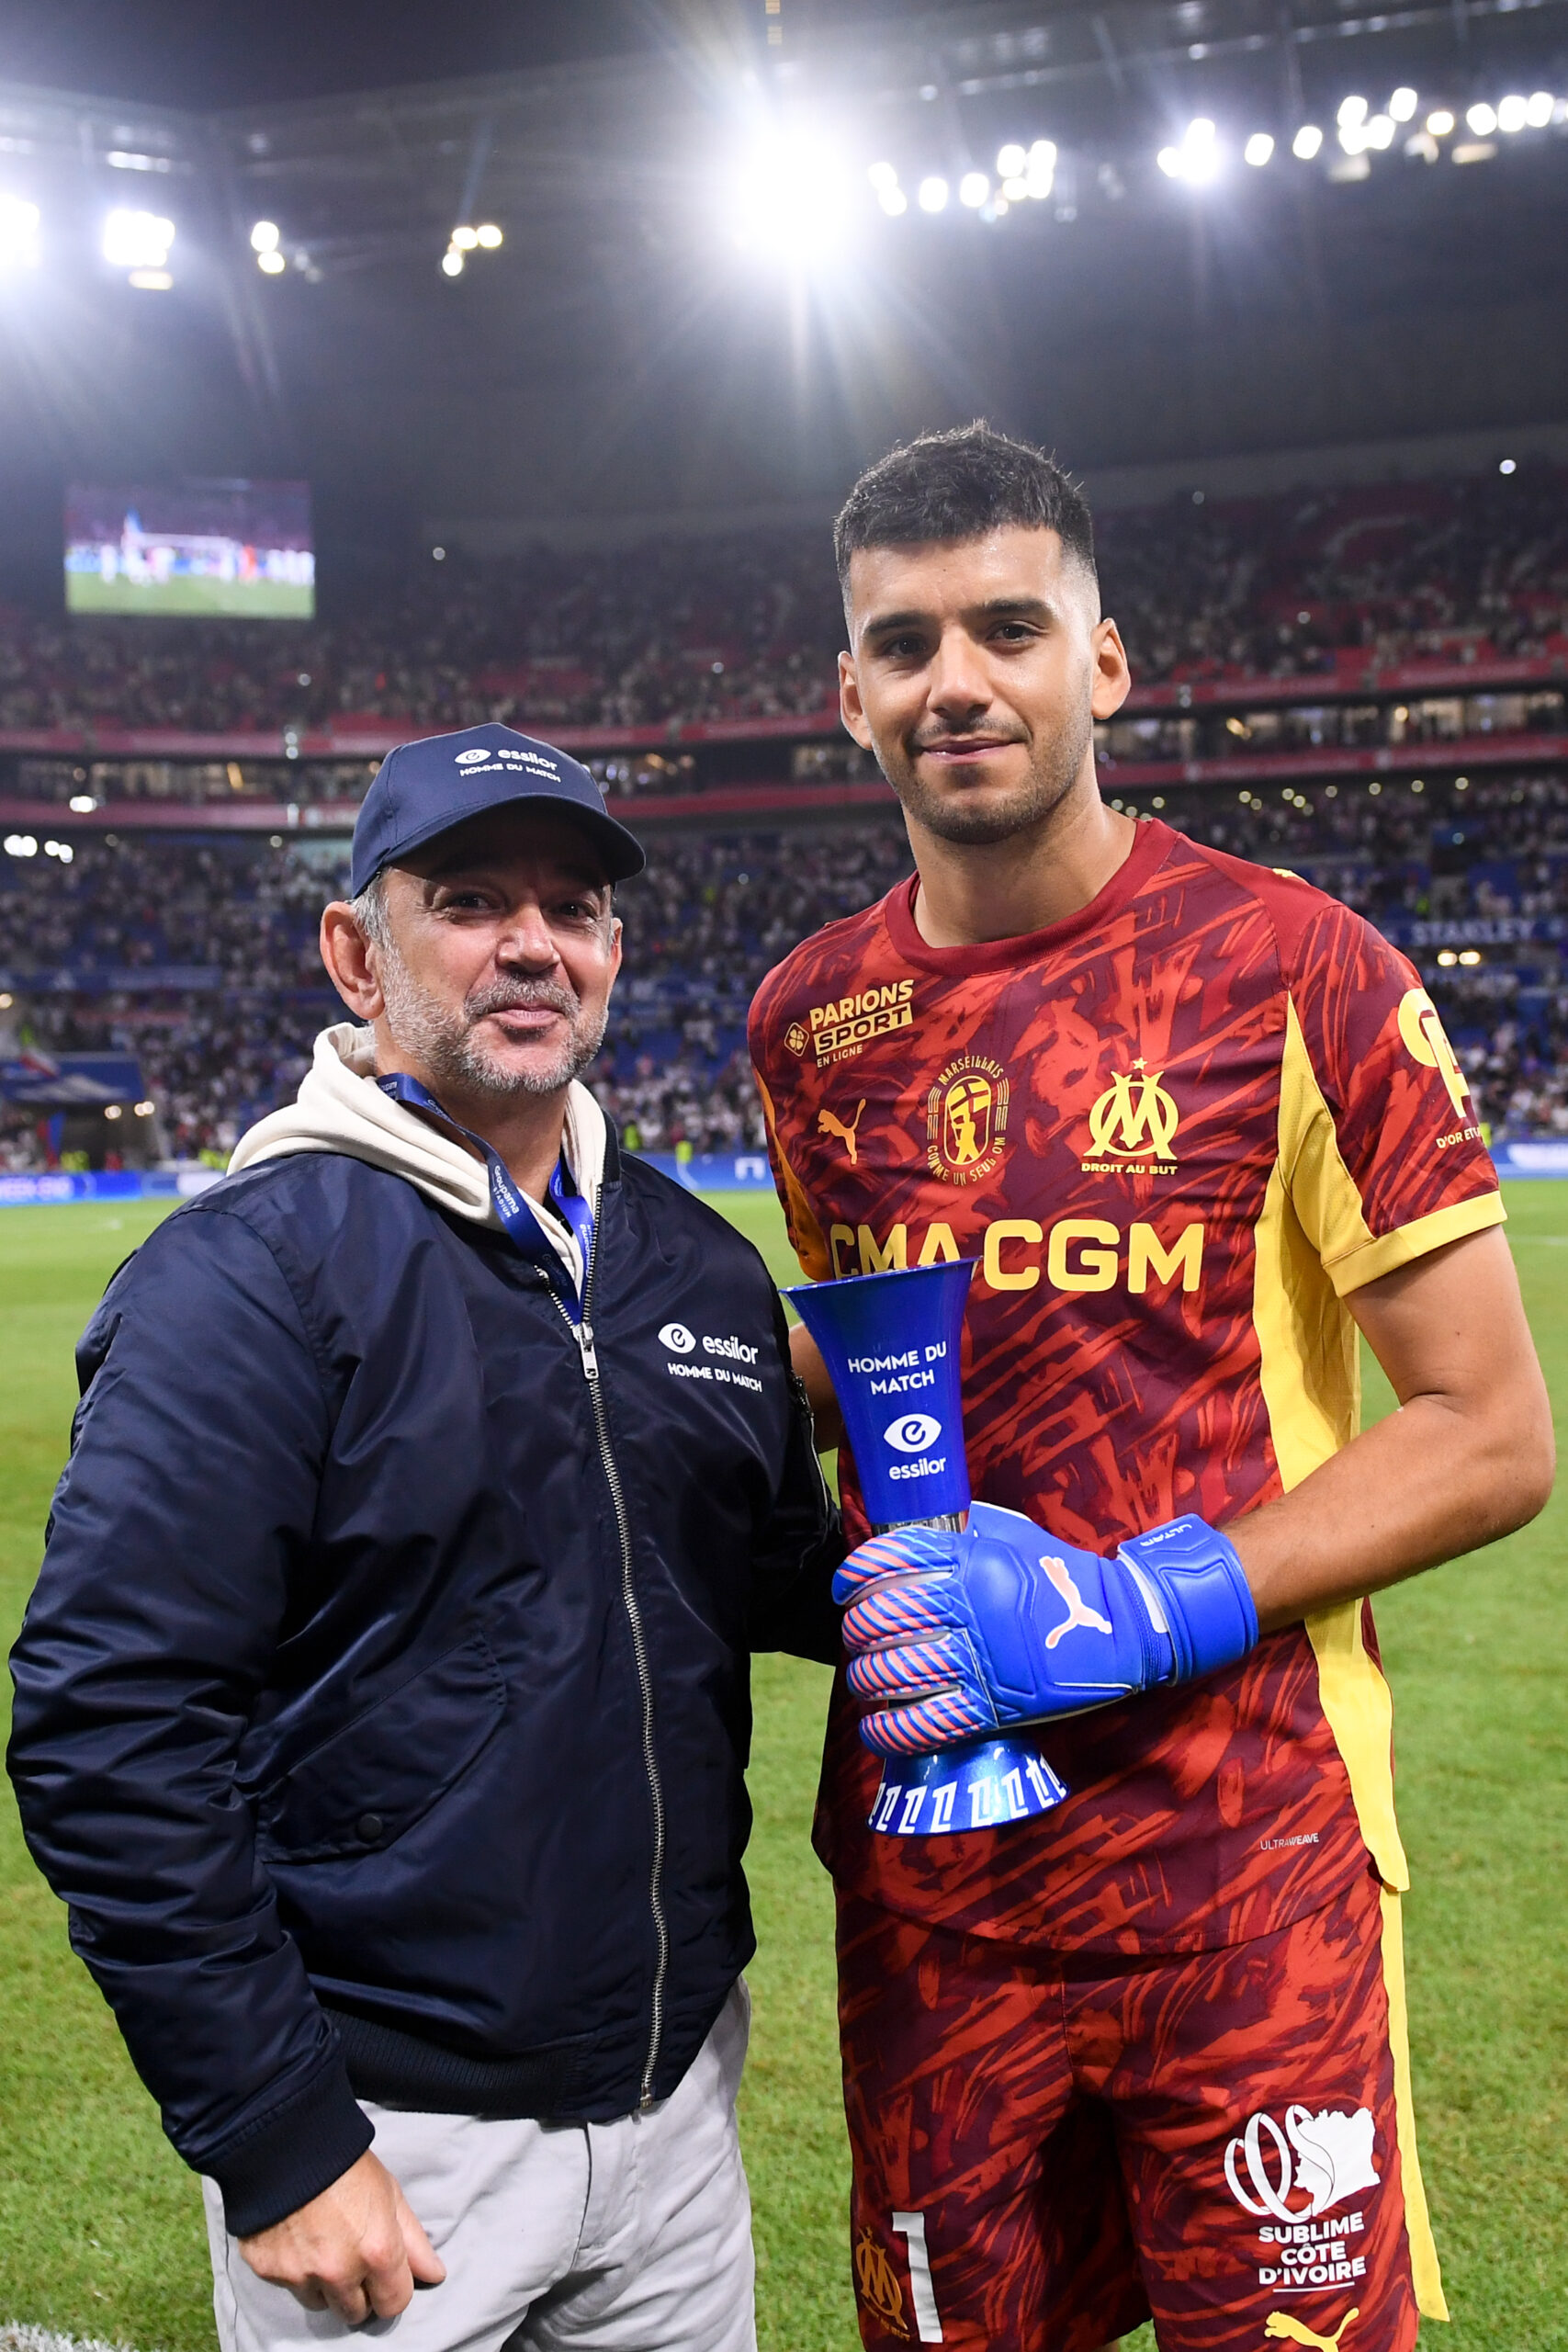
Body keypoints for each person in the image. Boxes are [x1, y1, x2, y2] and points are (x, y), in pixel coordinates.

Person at [748, 427, 1554, 2352]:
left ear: (1100, 664)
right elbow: (877, 1361)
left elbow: (1491, 1429)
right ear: (848, 692)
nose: (958, 679)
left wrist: (1132, 1598)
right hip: (936, 1882)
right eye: (907, 640)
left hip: (1241, 1867)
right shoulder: (808, 1023)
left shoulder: (1297, 970)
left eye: (1007, 626)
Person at [9, 720, 840, 2352]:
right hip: (391, 2140)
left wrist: (961, 1578)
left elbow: (738, 1565)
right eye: (469, 898)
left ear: (613, 952)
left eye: (577, 907)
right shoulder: (248, 1275)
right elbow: (108, 1728)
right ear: (357, 950)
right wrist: (277, 2140)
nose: (534, 942)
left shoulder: (691, 1262)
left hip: (673, 2113)